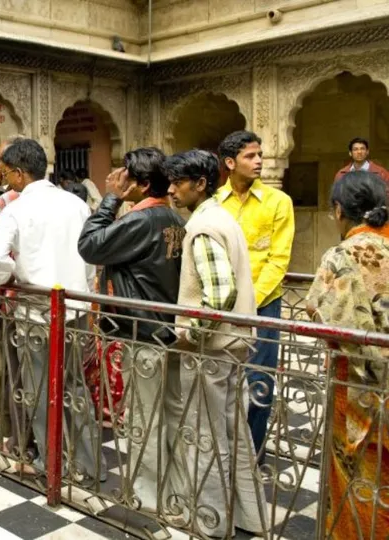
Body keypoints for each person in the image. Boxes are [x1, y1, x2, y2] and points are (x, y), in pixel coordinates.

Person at [77, 147, 189, 513]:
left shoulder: (141, 220)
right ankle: (170, 489)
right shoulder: (172, 217)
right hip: (164, 330)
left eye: (125, 176)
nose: (118, 180)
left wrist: (109, 199)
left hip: (143, 333)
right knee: (165, 414)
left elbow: (90, 245)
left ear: (140, 184)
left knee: (145, 417)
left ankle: (146, 495)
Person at [0, 138, 103, 480]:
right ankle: (88, 463)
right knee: (75, 386)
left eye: (7, 174)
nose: (6, 181)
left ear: (21, 174)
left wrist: (7, 278)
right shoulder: (76, 205)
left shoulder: (15, 210)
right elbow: (90, 257)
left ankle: (50, 462)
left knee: (39, 390)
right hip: (75, 307)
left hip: (37, 312)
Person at [166, 150, 267, 538]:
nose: (172, 190)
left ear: (201, 184)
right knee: (232, 430)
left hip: (212, 349)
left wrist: (194, 334)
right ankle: (249, 516)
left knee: (205, 433)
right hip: (234, 342)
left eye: (179, 183)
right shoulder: (222, 218)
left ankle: (209, 521)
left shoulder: (204, 226)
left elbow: (220, 293)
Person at [306, 171, 389, 540]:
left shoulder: (340, 256)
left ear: (339, 210)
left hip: (355, 385)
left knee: (355, 471)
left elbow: (317, 310)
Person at [216, 130, 295, 462]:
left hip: (263, 304)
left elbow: (278, 260)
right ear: (230, 163)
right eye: (251, 156)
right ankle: (225, 450)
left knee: (259, 379)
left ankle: (253, 453)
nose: (259, 161)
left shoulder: (279, 202)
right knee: (221, 376)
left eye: (260, 154)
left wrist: (249, 301)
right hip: (223, 306)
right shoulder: (216, 201)